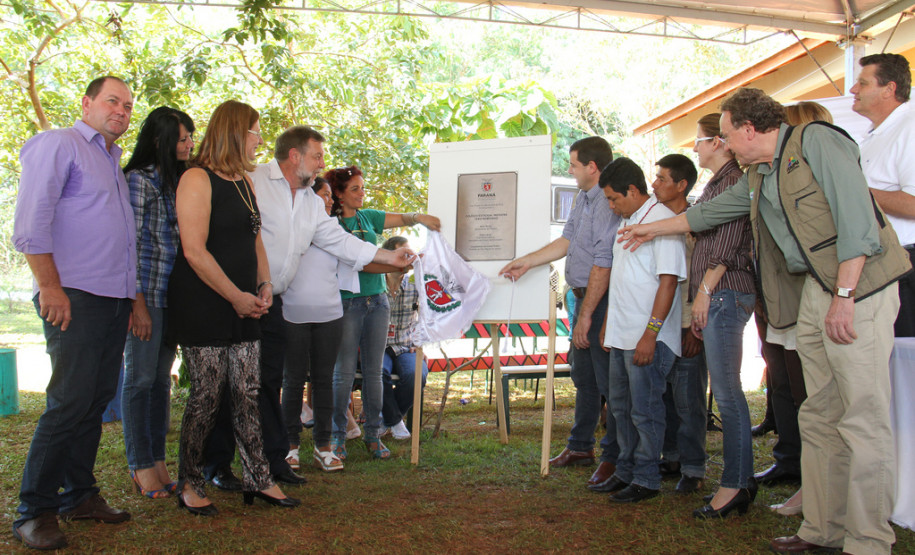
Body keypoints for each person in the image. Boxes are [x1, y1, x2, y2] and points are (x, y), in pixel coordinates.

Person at [618, 87, 909, 554]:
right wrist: (649, 228)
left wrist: (845, 295)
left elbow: (857, 221)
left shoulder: (818, 141)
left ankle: (868, 541)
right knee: (818, 414)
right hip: (815, 289)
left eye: (727, 135)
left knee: (862, 418)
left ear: (750, 129)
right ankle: (824, 530)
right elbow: (709, 214)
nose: (724, 145)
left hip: (859, 288)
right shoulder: (759, 173)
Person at [11, 76, 136, 550]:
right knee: (68, 402)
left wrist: (130, 298)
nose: (121, 110)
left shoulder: (111, 159)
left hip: (112, 299)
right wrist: (50, 287)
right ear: (86, 103)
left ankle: (79, 495)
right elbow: (31, 223)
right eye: (112, 101)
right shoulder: (58, 144)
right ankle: (34, 511)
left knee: (94, 400)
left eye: (128, 105)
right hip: (74, 296)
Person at [167, 100, 298, 516]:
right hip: (205, 303)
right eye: (256, 131)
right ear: (236, 132)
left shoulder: (244, 180)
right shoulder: (195, 178)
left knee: (247, 391)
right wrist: (234, 296)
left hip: (245, 302)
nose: (260, 139)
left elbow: (255, 239)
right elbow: (194, 251)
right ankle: (190, 482)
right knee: (207, 396)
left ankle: (259, 478)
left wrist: (264, 284)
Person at [500, 137, 621, 489]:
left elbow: (604, 262)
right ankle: (580, 446)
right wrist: (528, 261)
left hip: (600, 301)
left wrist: (588, 314)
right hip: (581, 299)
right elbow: (566, 241)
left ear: (592, 167)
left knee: (610, 383)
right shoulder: (583, 197)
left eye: (573, 165)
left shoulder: (607, 202)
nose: (569, 170)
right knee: (584, 378)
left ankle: (614, 456)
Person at [327, 165, 440, 461]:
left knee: (375, 372)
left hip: (378, 302)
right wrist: (399, 263)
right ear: (339, 194)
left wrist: (420, 217)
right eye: (355, 189)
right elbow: (361, 263)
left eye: (363, 187)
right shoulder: (332, 226)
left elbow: (400, 218)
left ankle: (373, 434)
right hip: (348, 303)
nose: (362, 193)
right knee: (344, 373)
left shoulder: (367, 217)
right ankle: (337, 436)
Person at [757, 102, 834, 515]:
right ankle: (797, 467)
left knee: (813, 395)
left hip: (817, 295)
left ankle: (816, 485)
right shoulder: (768, 177)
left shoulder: (821, 177)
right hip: (785, 297)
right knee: (789, 386)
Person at [597, 157, 686, 504]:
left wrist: (651, 333)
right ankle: (625, 470)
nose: (611, 206)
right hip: (621, 333)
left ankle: (647, 477)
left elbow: (669, 282)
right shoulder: (629, 220)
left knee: (645, 410)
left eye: (613, 198)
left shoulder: (663, 222)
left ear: (633, 190)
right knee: (620, 408)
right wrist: (609, 322)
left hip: (647, 337)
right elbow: (622, 278)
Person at [685, 114, 760, 518]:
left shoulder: (733, 182)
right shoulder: (717, 182)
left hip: (725, 293)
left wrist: (704, 293)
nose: (694, 148)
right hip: (720, 295)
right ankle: (739, 479)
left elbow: (727, 247)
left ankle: (735, 484)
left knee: (728, 393)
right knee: (727, 391)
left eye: (697, 140)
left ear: (717, 142)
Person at [121, 106, 195, 500]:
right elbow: (127, 246)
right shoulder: (139, 180)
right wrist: (137, 305)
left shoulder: (179, 181)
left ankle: (158, 460)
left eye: (190, 137)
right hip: (145, 295)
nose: (189, 144)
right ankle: (139, 465)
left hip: (172, 297)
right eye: (182, 138)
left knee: (160, 382)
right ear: (159, 140)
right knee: (140, 379)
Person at [650, 154, 709, 496]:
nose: (654, 184)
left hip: (687, 323)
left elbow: (698, 280)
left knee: (689, 399)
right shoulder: (652, 218)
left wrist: (694, 328)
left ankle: (693, 467)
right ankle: (671, 457)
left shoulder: (696, 224)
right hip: (660, 325)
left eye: (662, 178)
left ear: (682, 185)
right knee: (666, 396)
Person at [852, 53, 915, 337]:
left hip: (905, 264)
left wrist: (854, 193)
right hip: (882, 264)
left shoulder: (909, 129)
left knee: (904, 355)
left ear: (889, 89)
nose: (853, 89)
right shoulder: (876, 134)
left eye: (863, 83)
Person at [380, 236, 429, 440]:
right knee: (377, 373)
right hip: (379, 346)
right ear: (389, 256)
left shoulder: (415, 285)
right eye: (405, 253)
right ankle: (395, 421)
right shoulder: (376, 284)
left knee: (417, 374)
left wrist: (420, 344)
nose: (409, 259)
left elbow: (426, 317)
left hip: (406, 345)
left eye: (411, 254)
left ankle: (386, 420)